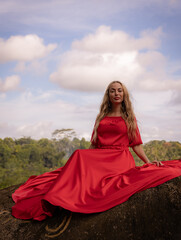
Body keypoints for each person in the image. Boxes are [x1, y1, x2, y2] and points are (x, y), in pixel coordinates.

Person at [12, 81, 181, 221]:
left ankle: (60, 198)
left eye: (120, 91)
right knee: (79, 155)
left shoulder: (129, 118)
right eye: (112, 91)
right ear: (108, 95)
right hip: (100, 155)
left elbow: (135, 144)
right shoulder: (101, 117)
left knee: (82, 161)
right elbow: (94, 144)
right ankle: (55, 199)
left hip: (119, 158)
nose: (116, 93)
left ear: (124, 95)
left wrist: (148, 162)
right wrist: (84, 162)